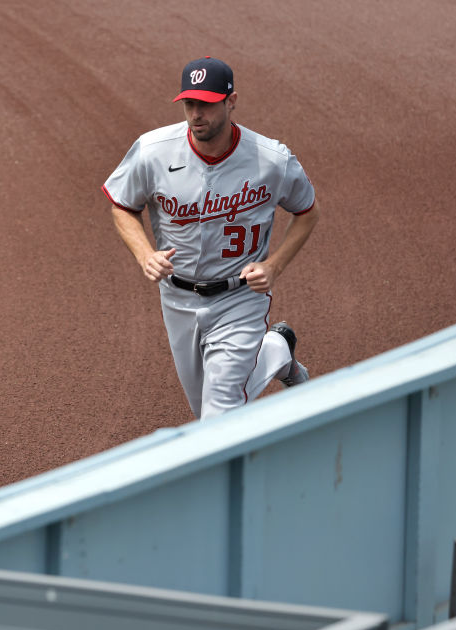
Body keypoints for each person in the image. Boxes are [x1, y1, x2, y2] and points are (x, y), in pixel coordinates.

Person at [102, 56, 320, 419]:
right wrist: (144, 255)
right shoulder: (154, 151)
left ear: (231, 101)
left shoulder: (270, 160)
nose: (196, 113)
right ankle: (278, 349)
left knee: (216, 417)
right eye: (190, 103)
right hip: (177, 297)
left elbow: (307, 212)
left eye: (206, 103)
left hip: (240, 300)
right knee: (204, 406)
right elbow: (122, 206)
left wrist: (274, 265)